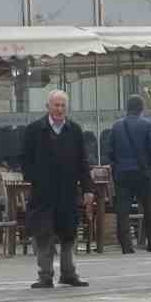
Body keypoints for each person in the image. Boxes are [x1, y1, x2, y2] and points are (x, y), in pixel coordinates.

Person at [21, 89, 95, 289]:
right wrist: (35, 178)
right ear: (48, 107)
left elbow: (83, 161)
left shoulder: (75, 130)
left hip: (67, 192)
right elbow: (25, 160)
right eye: (56, 105)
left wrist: (88, 188)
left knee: (68, 234)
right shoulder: (34, 130)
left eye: (63, 105)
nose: (60, 109)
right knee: (43, 235)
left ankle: (69, 274)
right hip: (43, 193)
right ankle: (45, 276)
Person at [108, 94, 151, 254]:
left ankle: (126, 245)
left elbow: (110, 151)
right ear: (141, 108)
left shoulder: (116, 126)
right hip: (141, 172)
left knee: (123, 209)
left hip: (122, 173)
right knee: (148, 206)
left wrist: (117, 166)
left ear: (127, 108)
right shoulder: (147, 125)